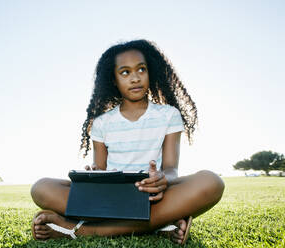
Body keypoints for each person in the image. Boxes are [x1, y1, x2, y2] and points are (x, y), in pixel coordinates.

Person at [30, 39, 225, 245]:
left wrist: (161, 179)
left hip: (152, 197)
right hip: (112, 198)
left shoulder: (169, 115)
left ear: (151, 73)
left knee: (211, 181)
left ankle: (79, 229)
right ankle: (162, 225)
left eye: (141, 69)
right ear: (113, 79)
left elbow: (170, 169)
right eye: (125, 72)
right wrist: (94, 175)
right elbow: (101, 170)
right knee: (41, 187)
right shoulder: (102, 123)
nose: (135, 78)